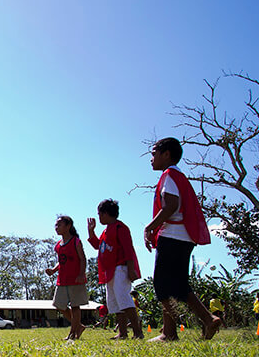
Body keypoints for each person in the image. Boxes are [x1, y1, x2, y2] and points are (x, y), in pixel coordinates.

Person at [144, 137, 221, 341]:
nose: (151, 159)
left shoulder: (170, 175)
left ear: (166, 154)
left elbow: (171, 206)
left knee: (162, 285)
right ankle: (191, 324)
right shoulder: (178, 176)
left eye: (153, 154)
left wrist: (149, 227)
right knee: (177, 285)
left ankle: (177, 330)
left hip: (173, 236)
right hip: (184, 237)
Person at [87, 199, 144, 339]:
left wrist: (131, 269)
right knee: (115, 302)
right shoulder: (106, 231)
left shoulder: (120, 228)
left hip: (120, 268)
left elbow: (128, 249)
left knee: (123, 298)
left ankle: (138, 332)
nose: (99, 217)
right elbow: (98, 246)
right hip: (109, 271)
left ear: (106, 213)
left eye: (100, 214)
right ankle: (122, 333)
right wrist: (91, 231)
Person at [45, 215, 88, 340]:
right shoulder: (58, 245)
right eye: (56, 225)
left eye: (59, 225)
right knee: (59, 305)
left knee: (75, 306)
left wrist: (81, 274)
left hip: (75, 279)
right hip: (62, 280)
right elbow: (62, 261)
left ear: (68, 226)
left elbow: (82, 259)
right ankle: (78, 326)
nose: (56, 227)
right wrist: (53, 270)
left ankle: (73, 333)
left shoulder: (76, 241)